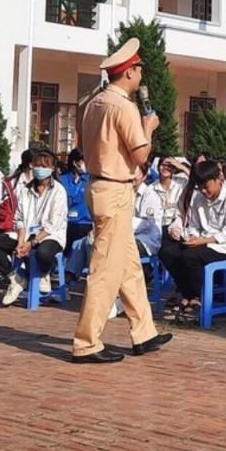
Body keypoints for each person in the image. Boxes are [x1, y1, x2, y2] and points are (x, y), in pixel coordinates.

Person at [72, 38, 171, 363]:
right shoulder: (123, 106)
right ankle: (87, 342)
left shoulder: (93, 102)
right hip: (114, 187)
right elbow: (141, 154)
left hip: (101, 185)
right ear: (129, 72)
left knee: (127, 264)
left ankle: (144, 332)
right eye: (139, 68)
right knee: (106, 270)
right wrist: (148, 127)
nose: (142, 74)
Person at [157, 160, 226, 322]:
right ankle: (186, 292)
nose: (204, 191)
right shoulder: (198, 198)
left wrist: (203, 241)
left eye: (207, 187)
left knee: (190, 257)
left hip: (221, 246)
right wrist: (188, 236)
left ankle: (196, 296)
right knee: (168, 252)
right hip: (200, 241)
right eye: (201, 187)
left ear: (218, 180)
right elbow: (194, 225)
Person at [0, 148, 69, 306]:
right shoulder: (24, 190)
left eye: (45, 166)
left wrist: (31, 244)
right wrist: (21, 242)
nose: (40, 169)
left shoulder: (59, 191)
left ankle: (43, 272)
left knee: (43, 253)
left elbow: (52, 225)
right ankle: (15, 277)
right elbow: (19, 218)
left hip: (49, 236)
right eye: (37, 166)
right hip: (26, 233)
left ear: (52, 169)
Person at [61, 148, 91, 248]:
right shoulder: (62, 180)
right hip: (66, 223)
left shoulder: (90, 180)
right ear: (75, 163)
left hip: (85, 223)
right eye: (85, 160)